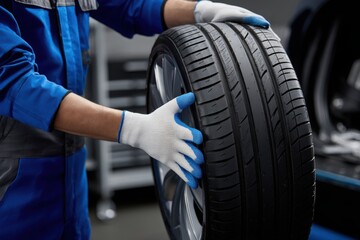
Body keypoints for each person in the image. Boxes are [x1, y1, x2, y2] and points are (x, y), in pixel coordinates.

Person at [0, 0, 270, 239]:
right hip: (13, 185)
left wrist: (199, 11)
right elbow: (14, 82)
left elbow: (130, 6)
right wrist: (132, 129)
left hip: (70, 172)